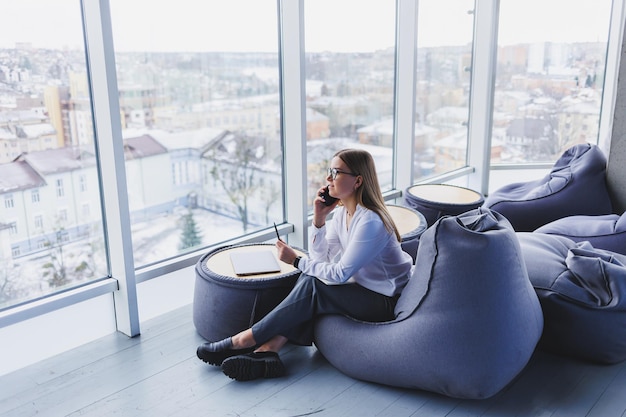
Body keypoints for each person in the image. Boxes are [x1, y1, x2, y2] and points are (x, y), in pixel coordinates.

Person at [196, 148, 414, 381]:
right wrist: (319, 219)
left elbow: (338, 274)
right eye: (329, 171)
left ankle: (244, 340)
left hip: (386, 300)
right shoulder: (342, 215)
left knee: (313, 285)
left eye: (336, 172)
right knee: (309, 278)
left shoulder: (371, 221)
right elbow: (322, 260)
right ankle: (267, 352)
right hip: (363, 289)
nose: (328, 178)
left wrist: (297, 260)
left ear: (358, 180)